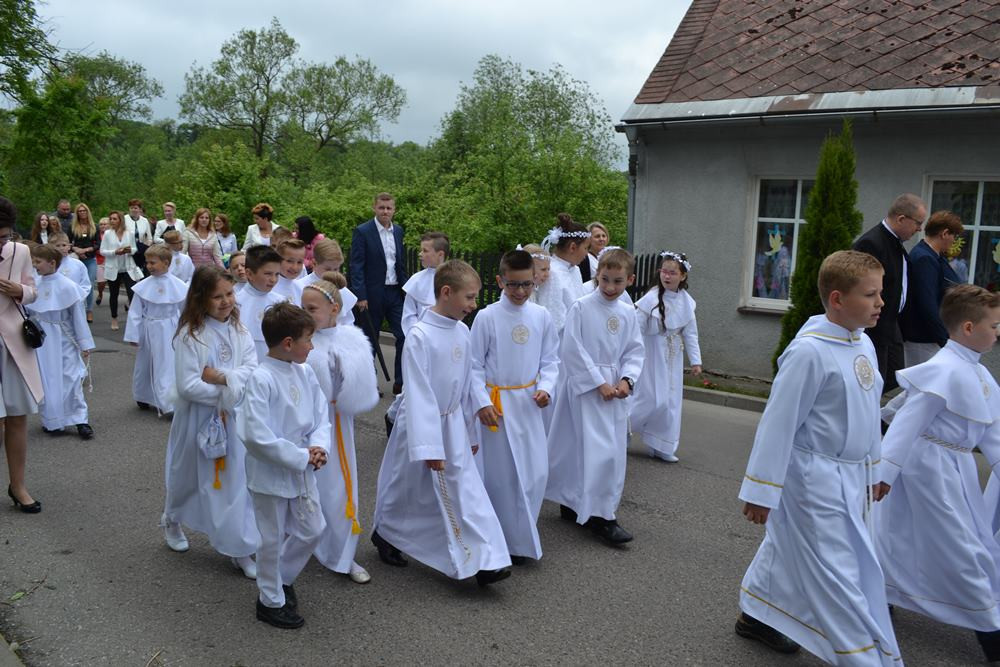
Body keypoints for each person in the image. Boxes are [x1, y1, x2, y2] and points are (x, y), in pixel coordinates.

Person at [734, 250, 900, 664]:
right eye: (872, 294)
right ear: (838, 299)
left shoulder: (861, 342)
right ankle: (862, 655)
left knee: (790, 546)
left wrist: (874, 469)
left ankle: (758, 613)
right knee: (836, 569)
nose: (882, 303)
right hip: (814, 477)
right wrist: (761, 491)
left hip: (851, 474)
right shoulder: (809, 353)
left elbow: (868, 415)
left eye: (882, 293)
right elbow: (778, 424)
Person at [876, 284, 1000, 663]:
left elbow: (991, 432)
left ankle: (883, 590)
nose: (998, 332)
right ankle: (991, 634)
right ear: (967, 327)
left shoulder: (979, 375)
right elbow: (904, 425)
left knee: (909, 536)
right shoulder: (942, 371)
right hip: (927, 469)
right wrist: (884, 473)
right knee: (960, 547)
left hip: (956, 468)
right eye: (994, 325)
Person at [371, 260, 512, 587]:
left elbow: (466, 384)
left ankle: (485, 560)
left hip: (453, 425)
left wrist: (472, 422)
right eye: (469, 297)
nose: (473, 305)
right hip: (421, 427)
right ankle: (386, 533)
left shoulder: (462, 331)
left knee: (467, 490)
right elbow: (418, 394)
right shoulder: (420, 335)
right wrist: (429, 445)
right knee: (405, 488)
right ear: (446, 292)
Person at [237, 302, 331, 629]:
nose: (313, 345)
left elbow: (321, 414)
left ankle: (283, 577)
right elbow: (256, 436)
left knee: (313, 528)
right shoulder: (261, 379)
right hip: (271, 474)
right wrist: (302, 456)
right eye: (308, 339)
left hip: (304, 468)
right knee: (271, 538)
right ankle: (270, 600)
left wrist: (319, 446)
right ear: (288, 343)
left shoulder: (304, 371)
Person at [162, 266, 259, 582]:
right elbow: (188, 384)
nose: (225, 301)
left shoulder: (240, 330)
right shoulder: (190, 335)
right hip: (197, 419)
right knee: (186, 475)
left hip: (234, 419)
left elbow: (251, 370)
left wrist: (220, 377)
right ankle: (172, 518)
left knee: (235, 482)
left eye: (229, 294)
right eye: (217, 296)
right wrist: (229, 388)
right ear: (200, 299)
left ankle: (238, 547)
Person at [545, 248, 644, 546]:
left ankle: (598, 508)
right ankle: (595, 513)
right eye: (604, 280)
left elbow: (635, 350)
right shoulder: (582, 306)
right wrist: (597, 382)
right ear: (596, 276)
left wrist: (628, 379)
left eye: (618, 281)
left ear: (630, 279)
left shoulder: (628, 312)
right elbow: (572, 348)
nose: (610, 288)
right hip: (586, 390)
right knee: (587, 449)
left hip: (615, 391)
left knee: (610, 452)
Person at [470, 249, 559, 564]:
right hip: (497, 407)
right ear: (500, 281)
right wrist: (481, 401)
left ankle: (524, 530)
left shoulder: (541, 316)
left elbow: (550, 360)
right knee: (503, 475)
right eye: (513, 285)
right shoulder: (487, 316)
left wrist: (546, 388)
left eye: (526, 285)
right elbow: (473, 366)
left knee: (535, 472)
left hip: (529, 404)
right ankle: (506, 539)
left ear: (535, 280)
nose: (520, 292)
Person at [302, 272, 379, 585]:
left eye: (312, 309)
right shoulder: (300, 343)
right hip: (304, 426)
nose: (305, 314)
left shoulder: (352, 339)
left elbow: (362, 389)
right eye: (302, 307)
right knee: (304, 488)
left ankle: (342, 553)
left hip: (337, 426)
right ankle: (301, 542)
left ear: (334, 309)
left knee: (340, 488)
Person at [630, 251, 702, 463]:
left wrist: (696, 360)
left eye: (672, 273)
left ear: (683, 276)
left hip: (673, 354)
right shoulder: (650, 298)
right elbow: (636, 329)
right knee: (651, 398)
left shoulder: (687, 303)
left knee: (671, 401)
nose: (667, 276)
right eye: (664, 271)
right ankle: (622, 428)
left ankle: (661, 443)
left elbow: (691, 333)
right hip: (651, 353)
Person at [853, 193, 926, 393]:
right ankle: (868, 418)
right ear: (901, 219)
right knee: (873, 383)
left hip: (891, 322)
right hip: (874, 325)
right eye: (918, 223)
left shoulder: (895, 244)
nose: (920, 229)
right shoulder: (872, 243)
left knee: (895, 375)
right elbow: (859, 288)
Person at [27, 243, 95, 440]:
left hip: (65, 337)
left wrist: (84, 344)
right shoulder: (35, 285)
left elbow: (78, 316)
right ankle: (52, 420)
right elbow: (29, 312)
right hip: (43, 340)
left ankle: (80, 419)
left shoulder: (68, 286)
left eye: (38, 261)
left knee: (71, 378)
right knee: (48, 380)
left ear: (52, 262)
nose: (34, 264)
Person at [384, 232, 448, 435]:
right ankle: (395, 418)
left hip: (444, 344)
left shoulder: (453, 278)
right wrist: (417, 335)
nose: (420, 254)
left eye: (425, 251)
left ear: (440, 254)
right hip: (420, 342)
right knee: (414, 388)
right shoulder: (417, 280)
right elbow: (409, 315)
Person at [350, 193, 408, 394]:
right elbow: (356, 265)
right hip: (371, 294)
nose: (385, 211)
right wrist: (360, 295)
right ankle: (369, 382)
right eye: (381, 207)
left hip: (394, 292)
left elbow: (398, 264)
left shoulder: (398, 231)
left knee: (403, 335)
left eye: (389, 208)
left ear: (394, 209)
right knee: (370, 338)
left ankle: (400, 382)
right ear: (374, 208)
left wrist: (406, 290)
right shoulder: (363, 231)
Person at [124, 245, 188, 415]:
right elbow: (135, 312)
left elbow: (185, 311)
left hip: (171, 329)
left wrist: (186, 331)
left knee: (167, 365)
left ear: (166, 263)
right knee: (146, 364)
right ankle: (143, 395)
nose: (149, 266)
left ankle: (168, 402)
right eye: (147, 262)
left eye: (153, 262)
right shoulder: (143, 286)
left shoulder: (179, 286)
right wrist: (133, 334)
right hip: (149, 328)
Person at [899, 210, 963, 367]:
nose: (953, 241)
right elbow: (926, 303)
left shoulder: (932, 256)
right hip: (923, 339)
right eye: (954, 236)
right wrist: (945, 340)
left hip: (928, 337)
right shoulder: (925, 258)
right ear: (945, 233)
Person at [536, 213, 590, 336]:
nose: (587, 254)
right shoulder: (552, 272)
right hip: (562, 341)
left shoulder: (575, 269)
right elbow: (553, 314)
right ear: (572, 247)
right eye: (586, 248)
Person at [236, 245, 286, 361]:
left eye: (277, 274)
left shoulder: (282, 303)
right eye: (268, 274)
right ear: (249, 274)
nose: (273, 280)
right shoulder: (236, 303)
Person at [295, 239, 356, 326]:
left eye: (336, 269)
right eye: (327, 269)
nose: (332, 273)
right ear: (314, 263)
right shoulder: (301, 286)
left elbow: (348, 322)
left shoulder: (340, 289)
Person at [100, 210, 144, 332]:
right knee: (114, 294)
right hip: (113, 268)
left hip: (128, 267)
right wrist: (115, 252)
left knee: (132, 293)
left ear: (120, 220)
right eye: (111, 219)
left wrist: (129, 250)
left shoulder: (128, 233)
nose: (112, 221)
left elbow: (135, 248)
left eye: (115, 219)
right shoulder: (108, 234)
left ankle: (134, 318)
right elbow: (102, 251)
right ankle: (114, 317)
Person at [49, 233, 92, 316]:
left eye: (64, 245)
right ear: (51, 247)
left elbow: (85, 284)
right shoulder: (49, 265)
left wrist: (79, 297)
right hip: (56, 304)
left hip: (75, 303)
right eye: (57, 246)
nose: (61, 248)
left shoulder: (78, 265)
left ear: (69, 246)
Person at [68, 204, 99, 321]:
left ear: (88, 212)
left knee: (90, 284)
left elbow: (98, 244)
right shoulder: (72, 227)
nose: (82, 213)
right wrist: (76, 249)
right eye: (79, 211)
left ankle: (89, 310)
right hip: (77, 259)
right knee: (76, 284)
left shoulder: (94, 227)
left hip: (90, 258)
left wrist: (86, 250)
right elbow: (68, 242)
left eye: (84, 210)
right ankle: (77, 308)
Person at [272, 238, 306, 304]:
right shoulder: (268, 286)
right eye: (289, 261)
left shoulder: (302, 288)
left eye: (299, 262)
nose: (294, 267)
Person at [125, 199, 155, 273]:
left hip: (141, 249)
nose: (133, 210)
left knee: (140, 272)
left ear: (140, 209)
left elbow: (149, 238)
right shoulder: (124, 219)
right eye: (131, 208)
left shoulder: (144, 221)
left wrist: (146, 246)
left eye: (135, 208)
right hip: (127, 249)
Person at [94, 217, 109, 306]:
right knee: (101, 282)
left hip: (110, 260)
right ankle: (100, 294)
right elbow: (94, 245)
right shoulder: (96, 234)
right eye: (101, 224)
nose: (103, 226)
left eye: (105, 224)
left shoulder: (113, 234)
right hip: (100, 259)